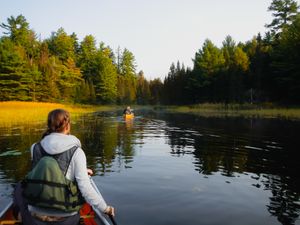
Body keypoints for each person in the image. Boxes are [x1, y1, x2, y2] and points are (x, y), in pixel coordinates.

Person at [13, 109, 115, 225]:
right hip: (66, 219)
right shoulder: (77, 152)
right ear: (68, 126)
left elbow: (44, 175)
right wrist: (105, 209)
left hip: (35, 218)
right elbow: (85, 189)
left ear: (49, 125)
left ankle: (20, 216)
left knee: (19, 187)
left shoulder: (35, 148)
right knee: (81, 185)